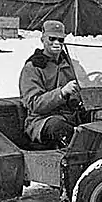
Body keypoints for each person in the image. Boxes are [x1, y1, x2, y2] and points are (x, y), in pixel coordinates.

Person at [19, 20, 83, 149]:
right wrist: (62, 92)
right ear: (43, 39)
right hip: (42, 120)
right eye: (52, 39)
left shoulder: (72, 64)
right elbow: (34, 104)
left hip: (72, 116)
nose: (57, 43)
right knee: (58, 127)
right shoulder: (33, 67)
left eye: (60, 40)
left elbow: (85, 85)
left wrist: (98, 84)